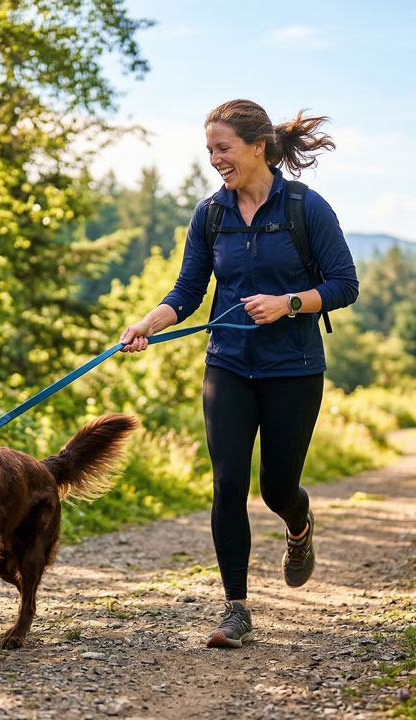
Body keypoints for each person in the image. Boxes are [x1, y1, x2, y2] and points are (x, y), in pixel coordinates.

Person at [118, 99, 359, 648]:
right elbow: (186, 292)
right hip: (227, 363)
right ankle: (236, 609)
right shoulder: (211, 214)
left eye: (222, 148)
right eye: (209, 151)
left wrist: (288, 303)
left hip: (293, 369)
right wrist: (147, 324)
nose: (215, 160)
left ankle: (298, 527)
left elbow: (345, 285)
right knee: (228, 482)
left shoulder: (305, 208)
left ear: (258, 146)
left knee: (277, 487)